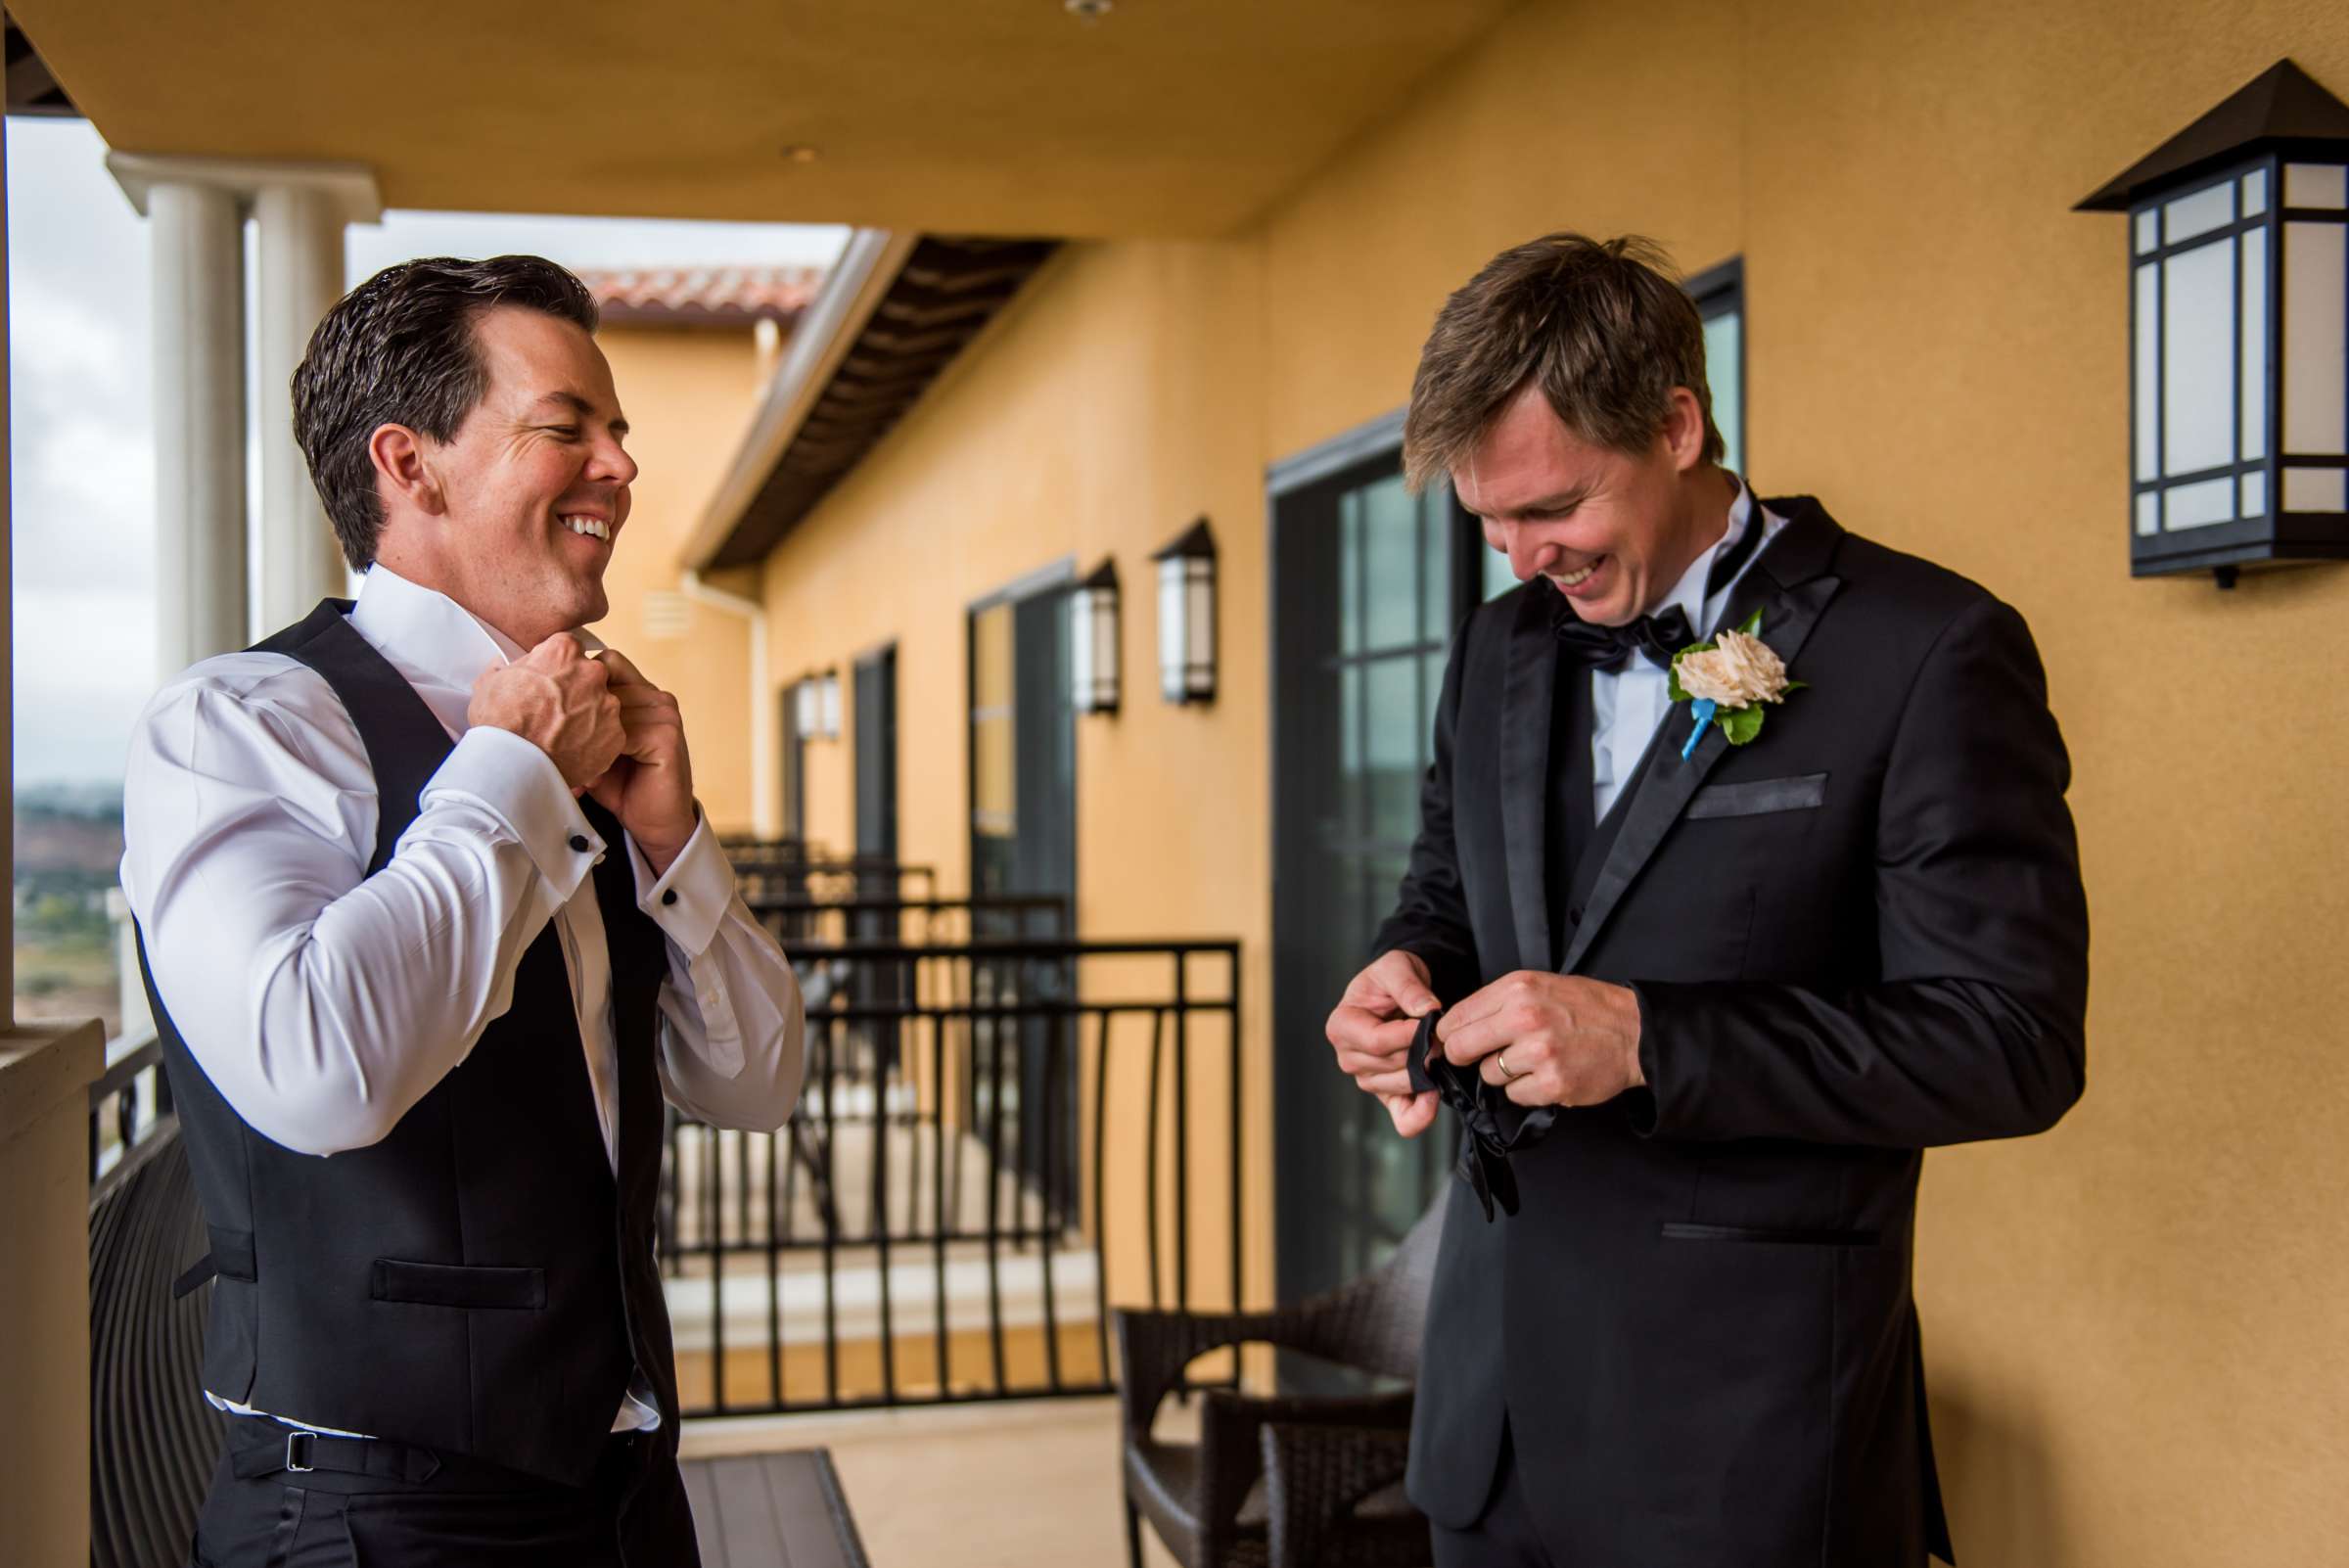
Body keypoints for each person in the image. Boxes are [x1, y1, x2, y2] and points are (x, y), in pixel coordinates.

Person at [1323, 234, 2088, 1567]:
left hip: (1747, 1453)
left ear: (1677, 423)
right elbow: (1450, 884)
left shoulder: (1930, 650)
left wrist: (1650, 1040)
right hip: (1486, 1431)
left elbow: (2010, 1042)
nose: (1517, 557)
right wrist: (1401, 972)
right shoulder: (1503, 642)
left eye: (1551, 506)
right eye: (1488, 520)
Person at [120, 254, 807, 1566]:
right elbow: (317, 1065)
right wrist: (506, 773)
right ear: (409, 462)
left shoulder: (592, 738)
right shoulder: (243, 720)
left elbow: (756, 1083)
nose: (620, 464)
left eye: (620, 433)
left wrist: (674, 842)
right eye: (569, 428)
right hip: (376, 1513)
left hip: (621, 1488)